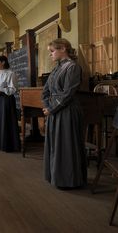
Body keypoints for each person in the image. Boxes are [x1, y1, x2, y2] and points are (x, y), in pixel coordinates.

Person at [41, 38, 86, 189]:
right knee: (55, 145)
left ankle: (69, 180)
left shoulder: (72, 67)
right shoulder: (56, 68)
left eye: (52, 51)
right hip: (55, 111)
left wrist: (51, 109)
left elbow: (68, 93)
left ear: (63, 49)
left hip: (67, 112)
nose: (51, 55)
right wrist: (48, 106)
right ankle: (56, 177)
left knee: (66, 145)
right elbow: (46, 90)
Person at [0, 55, 20, 152]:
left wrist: (1, 90)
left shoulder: (11, 73)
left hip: (7, 100)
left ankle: (8, 145)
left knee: (6, 121)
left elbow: (13, 89)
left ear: (3, 62)